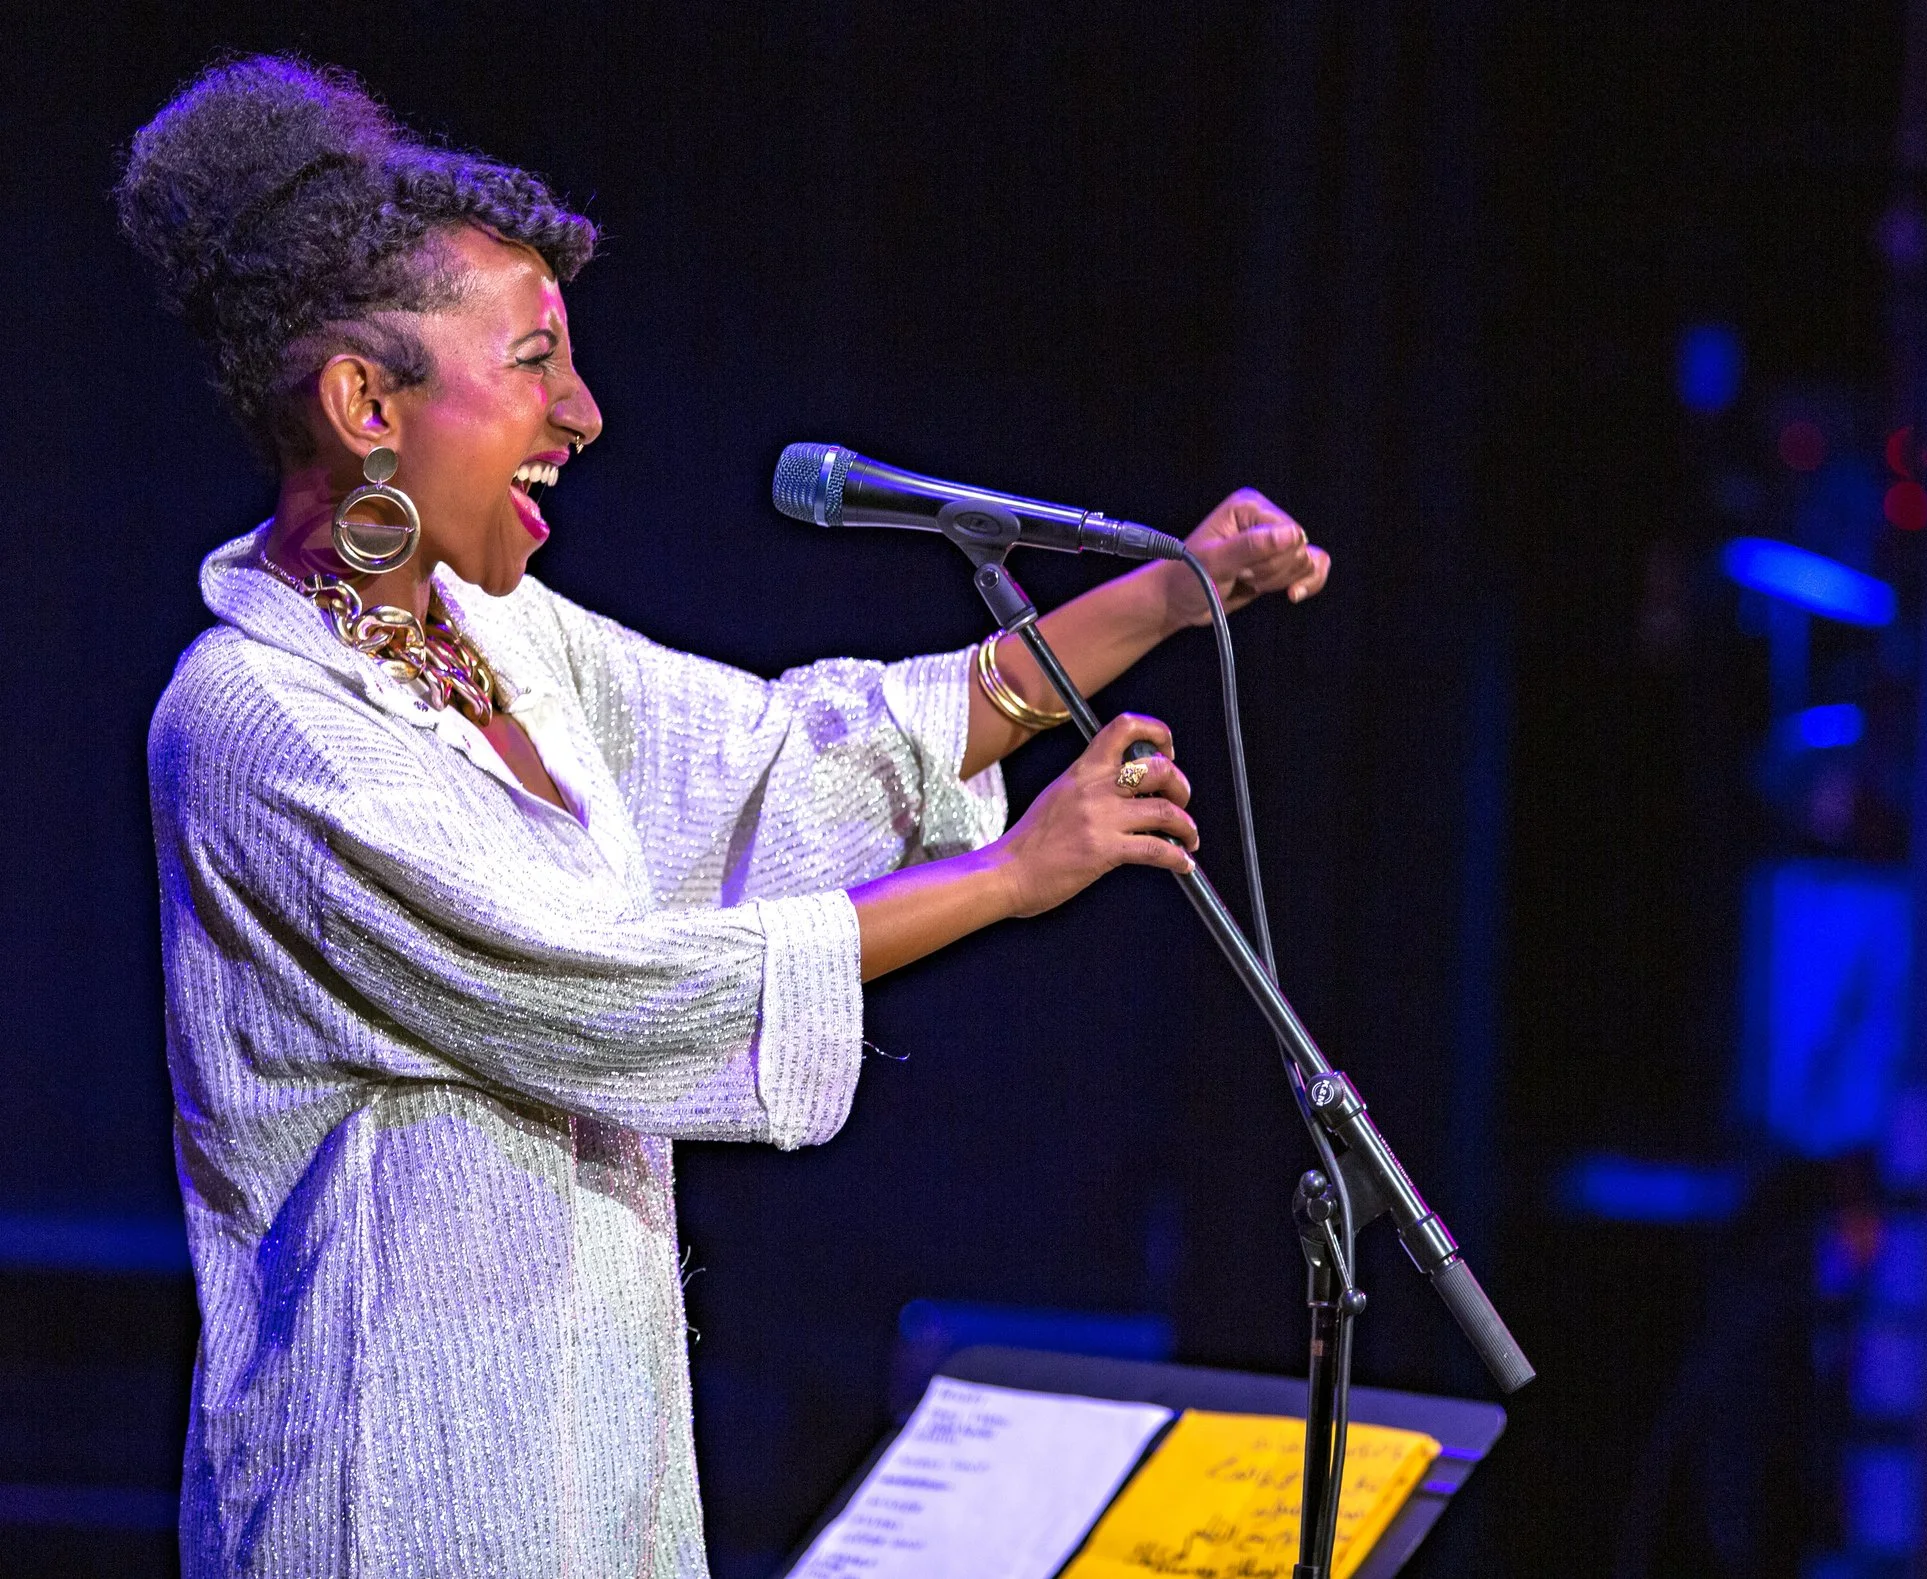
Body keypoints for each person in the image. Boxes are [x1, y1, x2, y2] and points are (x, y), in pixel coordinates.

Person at [120, 56, 1329, 1578]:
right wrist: (1013, 877)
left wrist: (1169, 593)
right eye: (536, 362)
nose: (583, 413)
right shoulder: (257, 721)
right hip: (392, 1494)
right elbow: (596, 988)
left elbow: (793, 758)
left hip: (595, 1472)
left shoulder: (507, 639)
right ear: (366, 403)